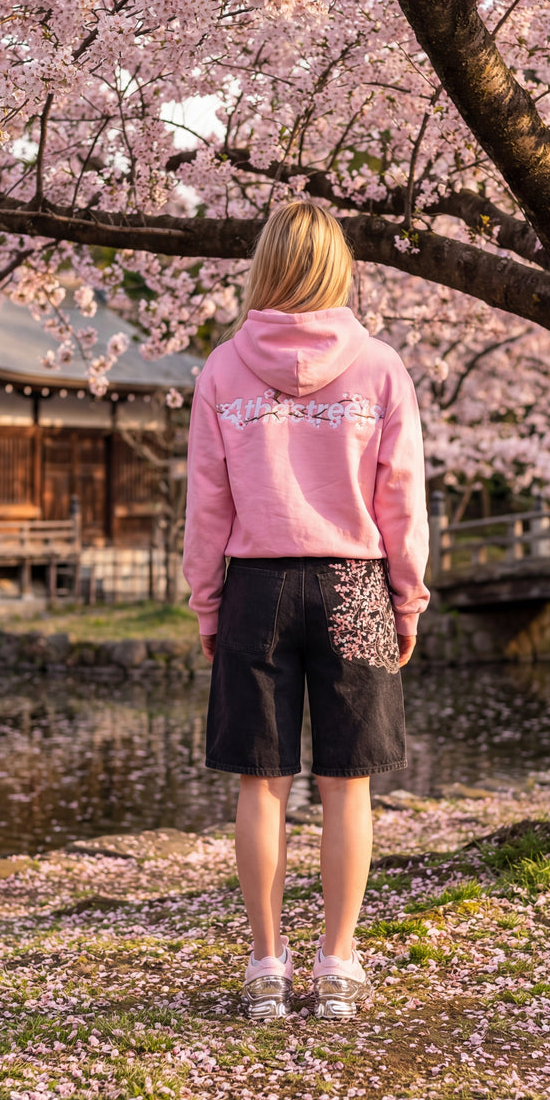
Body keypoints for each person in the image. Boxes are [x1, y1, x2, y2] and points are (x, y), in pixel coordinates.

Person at [182, 200, 429, 1020]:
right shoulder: (381, 366)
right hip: (355, 583)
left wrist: (206, 599)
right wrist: (408, 592)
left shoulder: (222, 368)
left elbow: (207, 501)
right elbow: (401, 495)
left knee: (263, 784)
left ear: (266, 266)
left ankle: (264, 964)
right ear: (337, 268)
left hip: (257, 584)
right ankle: (337, 964)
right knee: (345, 784)